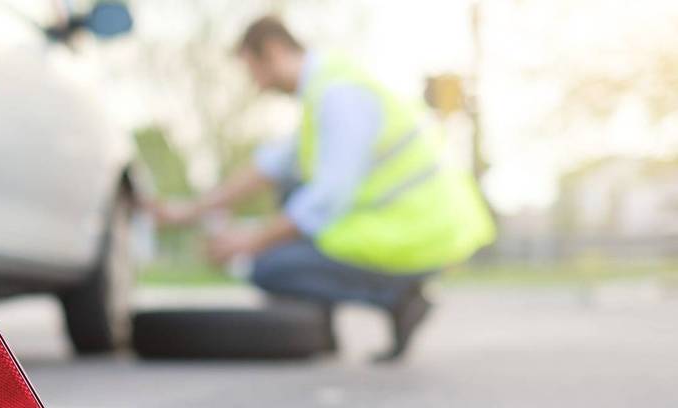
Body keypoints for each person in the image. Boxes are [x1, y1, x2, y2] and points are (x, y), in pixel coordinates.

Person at [150, 16, 495, 362]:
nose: (254, 84)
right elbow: (268, 167)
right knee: (288, 197)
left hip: (419, 233)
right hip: (403, 227)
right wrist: (191, 211)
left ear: (272, 52)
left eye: (252, 69)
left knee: (269, 266)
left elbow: (326, 199)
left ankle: (398, 297)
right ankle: (329, 326)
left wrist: (248, 243)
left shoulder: (339, 97)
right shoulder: (326, 91)